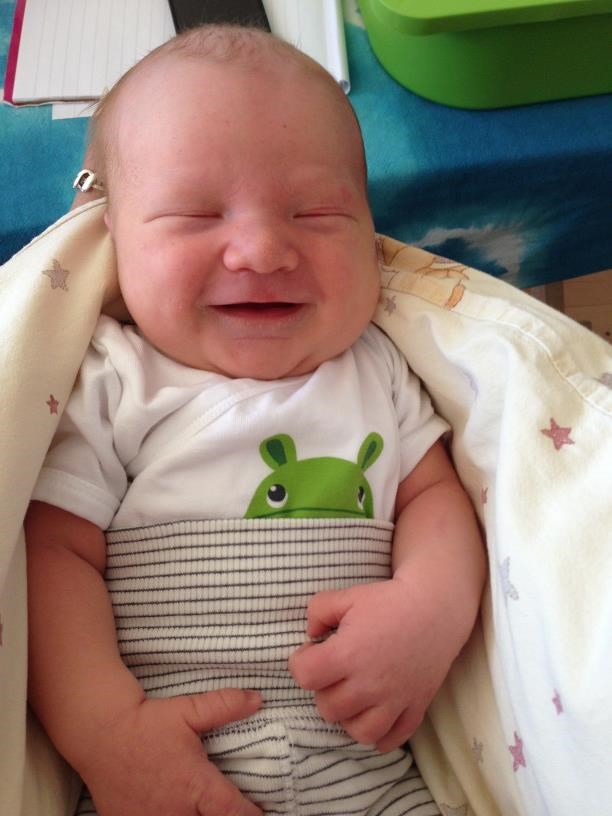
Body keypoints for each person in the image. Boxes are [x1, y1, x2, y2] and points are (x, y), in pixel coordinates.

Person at [25, 24, 486, 816]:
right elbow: (51, 555)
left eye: (317, 213)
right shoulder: (112, 377)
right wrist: (106, 735)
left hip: (369, 774)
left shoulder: (375, 365)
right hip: (165, 768)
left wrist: (431, 607)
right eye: (196, 214)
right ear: (112, 238)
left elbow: (435, 499)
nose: (263, 250)